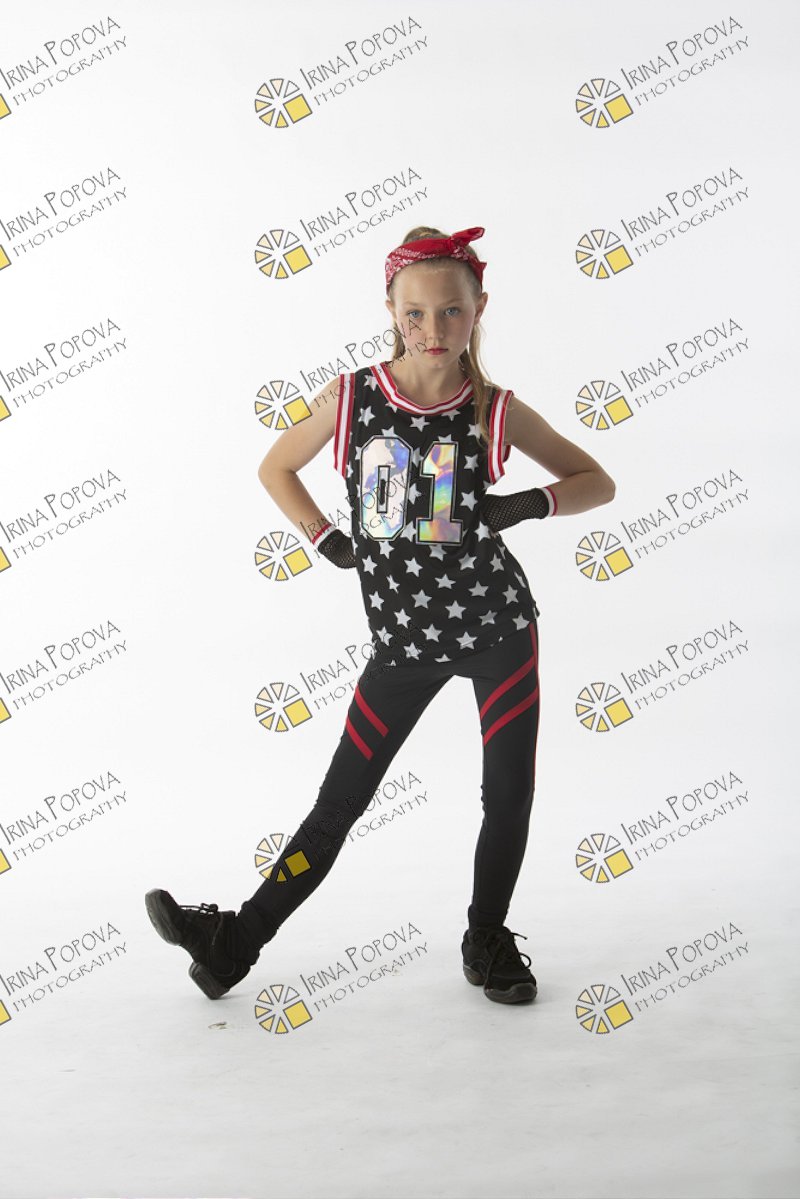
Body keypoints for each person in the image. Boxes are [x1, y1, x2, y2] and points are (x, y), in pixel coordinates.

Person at [145, 225, 616, 1005]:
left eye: (453, 312)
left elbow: (598, 480)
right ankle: (232, 943)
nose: (434, 330)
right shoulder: (352, 397)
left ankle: (487, 936)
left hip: (498, 630)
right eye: (416, 314)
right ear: (392, 312)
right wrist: (324, 537)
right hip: (402, 644)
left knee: (508, 797)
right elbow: (276, 465)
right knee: (338, 806)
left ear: (479, 309)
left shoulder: (496, 410)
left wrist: (530, 503)